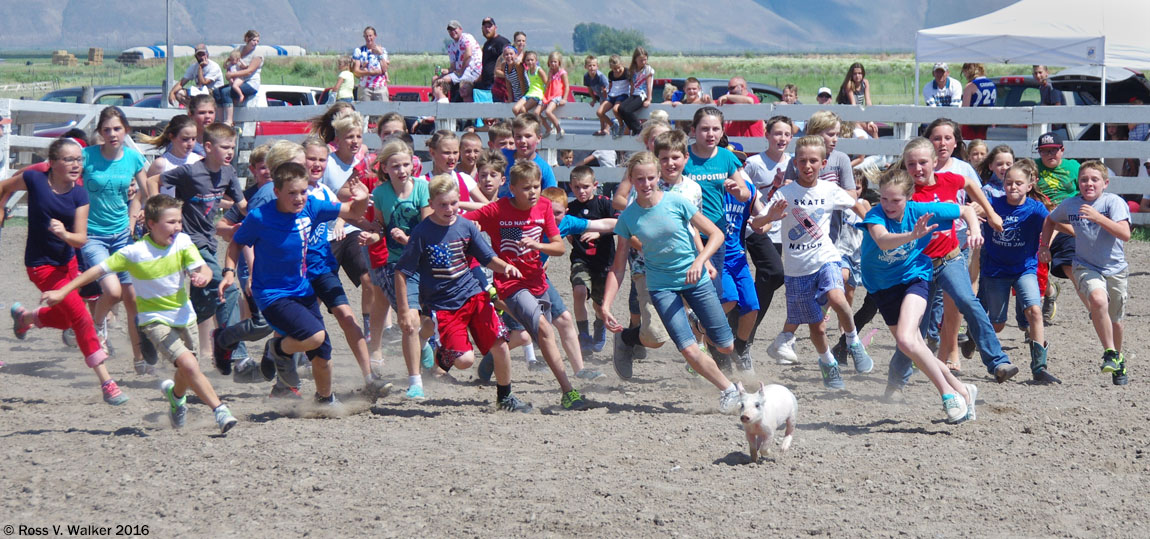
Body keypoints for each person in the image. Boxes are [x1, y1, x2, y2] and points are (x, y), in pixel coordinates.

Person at [46, 195, 239, 432]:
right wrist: (62, 292)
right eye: (170, 222)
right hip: (154, 320)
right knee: (189, 365)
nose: (177, 227)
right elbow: (96, 271)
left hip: (184, 317)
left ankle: (175, 397)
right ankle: (220, 411)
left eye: (179, 221)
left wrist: (203, 277)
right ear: (151, 224)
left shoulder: (183, 242)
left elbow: (202, 268)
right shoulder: (134, 252)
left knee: (187, 371)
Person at [599, 152, 742, 414]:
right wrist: (606, 305)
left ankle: (697, 321)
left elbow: (716, 234)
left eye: (651, 178)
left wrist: (701, 261)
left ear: (658, 176)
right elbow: (618, 267)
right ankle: (728, 390)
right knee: (687, 348)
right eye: (639, 179)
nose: (646, 184)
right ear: (631, 179)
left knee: (725, 345)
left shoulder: (677, 202)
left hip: (695, 279)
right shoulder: (628, 218)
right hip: (661, 286)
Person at [221, 162, 369, 405]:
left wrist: (361, 198)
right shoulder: (260, 216)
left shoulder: (312, 205)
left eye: (302, 191)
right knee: (316, 335)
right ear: (277, 192)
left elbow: (353, 211)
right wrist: (229, 272)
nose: (299, 198)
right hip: (272, 294)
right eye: (292, 193)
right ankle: (277, 349)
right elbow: (236, 242)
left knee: (322, 355)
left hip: (302, 289)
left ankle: (324, 399)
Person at [884, 138, 1016, 399]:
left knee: (968, 300)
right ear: (905, 166)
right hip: (918, 266)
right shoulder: (905, 192)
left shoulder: (949, 179)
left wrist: (990, 213)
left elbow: (968, 185)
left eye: (923, 162)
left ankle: (997, 360)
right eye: (912, 164)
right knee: (914, 330)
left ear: (935, 162)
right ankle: (897, 382)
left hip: (949, 258)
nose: (918, 168)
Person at [2, 138, 127, 405]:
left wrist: (64, 233)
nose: (75, 165)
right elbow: (4, 186)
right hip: (40, 265)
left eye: (79, 160)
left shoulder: (80, 194)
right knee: (81, 316)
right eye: (68, 160)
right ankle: (107, 382)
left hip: (68, 262)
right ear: (53, 163)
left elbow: (81, 239)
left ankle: (26, 318)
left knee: (69, 319)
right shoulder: (35, 180)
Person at [396, 174, 530, 410]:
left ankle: (505, 398)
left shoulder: (466, 225)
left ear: (460, 199)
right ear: (431, 203)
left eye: (453, 203)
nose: (449, 209)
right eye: (442, 204)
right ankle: (445, 356)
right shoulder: (422, 232)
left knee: (500, 344)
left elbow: (488, 258)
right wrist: (405, 309)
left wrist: (506, 266)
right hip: (443, 305)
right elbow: (402, 271)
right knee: (465, 361)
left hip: (473, 295)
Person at [463, 161, 589, 411]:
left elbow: (560, 247)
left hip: (538, 281)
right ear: (511, 188)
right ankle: (568, 392)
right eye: (525, 188)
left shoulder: (543, 206)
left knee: (538, 332)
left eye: (536, 186)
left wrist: (538, 246)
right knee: (544, 329)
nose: (532, 192)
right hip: (510, 282)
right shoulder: (496, 210)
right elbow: (461, 223)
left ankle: (495, 354)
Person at [860, 169, 976, 423]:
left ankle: (948, 396)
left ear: (909, 198)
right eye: (885, 199)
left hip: (914, 278)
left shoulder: (921, 210)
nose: (889, 205)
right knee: (915, 347)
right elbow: (882, 241)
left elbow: (966, 210)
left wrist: (975, 231)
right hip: (882, 287)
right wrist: (913, 235)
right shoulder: (875, 215)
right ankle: (963, 389)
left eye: (896, 200)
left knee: (906, 338)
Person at [757, 136, 873, 388]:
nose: (808, 166)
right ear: (795, 163)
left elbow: (857, 205)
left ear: (823, 162)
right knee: (817, 328)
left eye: (813, 161)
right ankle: (827, 363)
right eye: (802, 161)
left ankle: (853, 341)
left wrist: (875, 230)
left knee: (837, 296)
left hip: (826, 257)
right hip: (797, 269)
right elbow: (759, 225)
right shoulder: (785, 193)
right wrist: (770, 217)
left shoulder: (830, 190)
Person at [147, 123, 253, 379]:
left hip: (208, 242)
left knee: (202, 304)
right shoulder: (191, 171)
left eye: (232, 147)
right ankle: (235, 353)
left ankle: (161, 332)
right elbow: (153, 180)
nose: (230, 152)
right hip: (187, 242)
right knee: (226, 287)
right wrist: (155, 210)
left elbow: (242, 205)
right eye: (224, 147)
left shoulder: (227, 173)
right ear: (208, 147)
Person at [1039, 161, 1130, 385]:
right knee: (1098, 301)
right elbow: (1050, 220)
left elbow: (1125, 234)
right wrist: (1044, 246)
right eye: (1084, 180)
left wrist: (1099, 218)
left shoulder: (1113, 202)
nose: (1089, 183)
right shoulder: (1071, 204)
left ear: (1105, 183)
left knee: (1116, 320)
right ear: (1077, 183)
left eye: (1094, 179)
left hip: (1115, 268)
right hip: (1085, 265)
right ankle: (1109, 351)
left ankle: (1117, 358)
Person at [80, 106, 150, 372]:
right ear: (99, 132)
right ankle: (97, 325)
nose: (112, 134)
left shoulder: (133, 158)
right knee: (111, 291)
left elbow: (146, 190)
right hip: (93, 235)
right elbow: (62, 173)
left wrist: (145, 211)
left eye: (117, 129)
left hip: (122, 235)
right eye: (106, 129)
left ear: (126, 131)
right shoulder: (86, 157)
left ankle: (140, 358)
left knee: (132, 299)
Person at [980, 163, 1061, 384]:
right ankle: (973, 337)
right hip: (996, 271)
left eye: (1018, 183)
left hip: (1025, 269)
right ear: (1002, 184)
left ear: (1029, 185)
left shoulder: (1035, 209)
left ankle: (1039, 367)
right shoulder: (992, 204)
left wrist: (1046, 245)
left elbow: (1052, 224)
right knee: (997, 324)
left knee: (1035, 311)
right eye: (1008, 183)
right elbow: (970, 209)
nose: (1013, 187)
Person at [370, 140, 435, 399]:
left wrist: (407, 240)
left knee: (429, 324)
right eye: (395, 166)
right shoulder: (381, 193)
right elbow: (379, 227)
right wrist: (371, 236)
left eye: (406, 164)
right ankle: (416, 381)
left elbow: (430, 229)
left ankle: (425, 353)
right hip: (396, 265)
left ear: (413, 164)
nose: (401, 170)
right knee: (410, 322)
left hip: (425, 262)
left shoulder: (422, 188)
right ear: (385, 168)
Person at [741, 116, 790, 349]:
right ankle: (744, 328)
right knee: (774, 273)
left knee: (768, 279)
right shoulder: (754, 164)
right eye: (777, 133)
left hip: (780, 229)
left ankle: (746, 328)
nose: (782, 138)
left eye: (787, 134)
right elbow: (744, 194)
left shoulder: (793, 162)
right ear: (767, 135)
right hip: (756, 227)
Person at [565, 166, 616, 355]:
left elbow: (620, 224)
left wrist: (599, 231)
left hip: (604, 262)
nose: (581, 191)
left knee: (599, 304)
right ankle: (584, 336)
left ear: (595, 185)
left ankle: (599, 325)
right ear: (571, 186)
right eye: (577, 187)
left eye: (585, 187)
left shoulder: (604, 204)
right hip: (581, 259)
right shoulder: (571, 208)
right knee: (579, 291)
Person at [1034, 131, 1080, 324]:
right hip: (1044, 218)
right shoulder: (1033, 168)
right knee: (1035, 263)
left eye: (1054, 150)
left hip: (1069, 218)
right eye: (1045, 152)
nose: (1050, 155)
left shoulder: (1074, 167)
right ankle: (1049, 291)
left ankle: (1094, 301)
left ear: (1062, 150)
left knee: (1069, 264)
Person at [497, 113, 557, 198]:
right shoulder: (501, 157)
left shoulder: (543, 168)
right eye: (518, 136)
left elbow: (552, 198)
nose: (522, 141)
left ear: (539, 138)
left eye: (528, 136)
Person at [216, 30, 263, 125]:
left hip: (250, 82)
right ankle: (220, 120)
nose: (255, 43)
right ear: (247, 39)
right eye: (253, 40)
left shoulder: (258, 54)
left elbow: (249, 71)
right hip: (238, 79)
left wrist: (232, 75)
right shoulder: (239, 49)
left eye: (257, 41)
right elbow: (231, 60)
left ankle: (229, 120)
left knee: (226, 92)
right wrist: (228, 68)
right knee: (217, 92)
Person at [616, 47, 654, 136]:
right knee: (621, 109)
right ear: (635, 59)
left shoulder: (647, 70)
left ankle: (639, 130)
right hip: (635, 94)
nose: (643, 62)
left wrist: (649, 99)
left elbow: (649, 85)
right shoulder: (633, 70)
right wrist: (630, 97)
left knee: (628, 110)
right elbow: (632, 85)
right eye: (641, 60)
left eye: (645, 60)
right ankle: (632, 128)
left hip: (642, 94)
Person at [443, 20, 482, 102]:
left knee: (443, 81)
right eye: (450, 30)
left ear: (460, 29)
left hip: (472, 69)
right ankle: (437, 100)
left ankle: (442, 102)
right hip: (461, 72)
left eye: (454, 29)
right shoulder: (451, 47)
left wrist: (461, 70)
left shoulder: (466, 38)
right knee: (436, 78)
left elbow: (468, 55)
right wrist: (440, 71)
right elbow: (453, 68)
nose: (452, 32)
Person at [476, 17, 510, 103]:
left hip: (496, 84)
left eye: (489, 26)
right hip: (485, 83)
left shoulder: (502, 42)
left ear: (495, 27)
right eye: (485, 27)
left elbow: (508, 61)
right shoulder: (487, 44)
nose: (487, 29)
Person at [352, 26, 389, 102]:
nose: (368, 38)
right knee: (365, 112)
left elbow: (384, 69)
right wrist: (369, 72)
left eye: (370, 36)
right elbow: (356, 71)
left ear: (375, 36)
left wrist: (380, 54)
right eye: (366, 36)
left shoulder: (382, 50)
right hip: (365, 88)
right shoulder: (359, 51)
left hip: (380, 87)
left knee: (383, 112)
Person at [960, 63, 996, 140]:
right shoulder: (992, 83)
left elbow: (964, 111)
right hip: (986, 122)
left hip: (972, 125)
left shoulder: (970, 86)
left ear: (968, 70)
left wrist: (959, 129)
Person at [599, 54, 629, 137]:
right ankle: (612, 125)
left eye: (619, 67)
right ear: (611, 67)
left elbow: (632, 84)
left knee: (615, 110)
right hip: (613, 95)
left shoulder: (627, 72)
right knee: (599, 112)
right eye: (615, 68)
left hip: (623, 94)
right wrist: (606, 92)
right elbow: (611, 85)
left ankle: (621, 125)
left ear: (621, 64)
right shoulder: (611, 74)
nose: (617, 70)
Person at [541, 51, 569, 137]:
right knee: (537, 112)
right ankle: (548, 128)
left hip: (557, 96)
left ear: (559, 62)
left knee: (548, 111)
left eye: (555, 62)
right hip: (549, 95)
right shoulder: (550, 73)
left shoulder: (562, 73)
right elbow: (547, 85)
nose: (553, 64)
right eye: (551, 62)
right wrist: (549, 77)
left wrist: (564, 99)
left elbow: (567, 86)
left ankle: (559, 129)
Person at [583, 55, 610, 135]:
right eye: (589, 65)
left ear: (597, 66)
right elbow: (590, 89)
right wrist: (594, 99)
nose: (592, 68)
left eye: (594, 65)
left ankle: (607, 129)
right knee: (600, 112)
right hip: (601, 95)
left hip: (608, 94)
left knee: (604, 111)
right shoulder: (586, 77)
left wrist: (606, 100)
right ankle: (602, 128)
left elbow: (605, 90)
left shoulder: (600, 77)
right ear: (585, 67)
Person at [511, 51, 544, 116]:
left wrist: (545, 97)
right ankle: (524, 123)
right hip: (529, 93)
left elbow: (547, 83)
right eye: (528, 60)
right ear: (525, 62)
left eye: (532, 60)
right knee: (515, 109)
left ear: (536, 61)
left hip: (537, 94)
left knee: (523, 109)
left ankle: (528, 124)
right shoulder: (528, 71)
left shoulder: (539, 70)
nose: (530, 62)